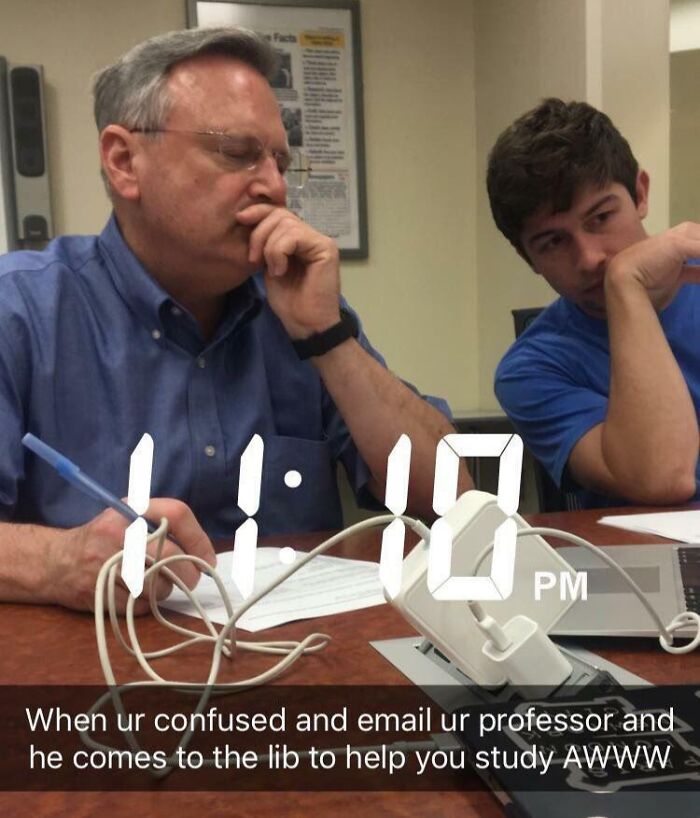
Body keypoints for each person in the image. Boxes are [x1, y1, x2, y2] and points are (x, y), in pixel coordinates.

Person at [0, 27, 470, 613]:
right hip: (98, 678)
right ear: (124, 161)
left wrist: (329, 339)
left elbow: (455, 499)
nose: (274, 187)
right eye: (237, 153)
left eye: (279, 162)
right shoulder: (18, 311)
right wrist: (59, 560)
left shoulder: (301, 309)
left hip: (308, 665)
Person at [489, 98, 700, 510]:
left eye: (601, 218)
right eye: (553, 242)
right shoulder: (530, 370)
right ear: (528, 259)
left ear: (640, 193)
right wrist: (627, 285)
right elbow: (663, 477)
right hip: (650, 565)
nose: (589, 259)